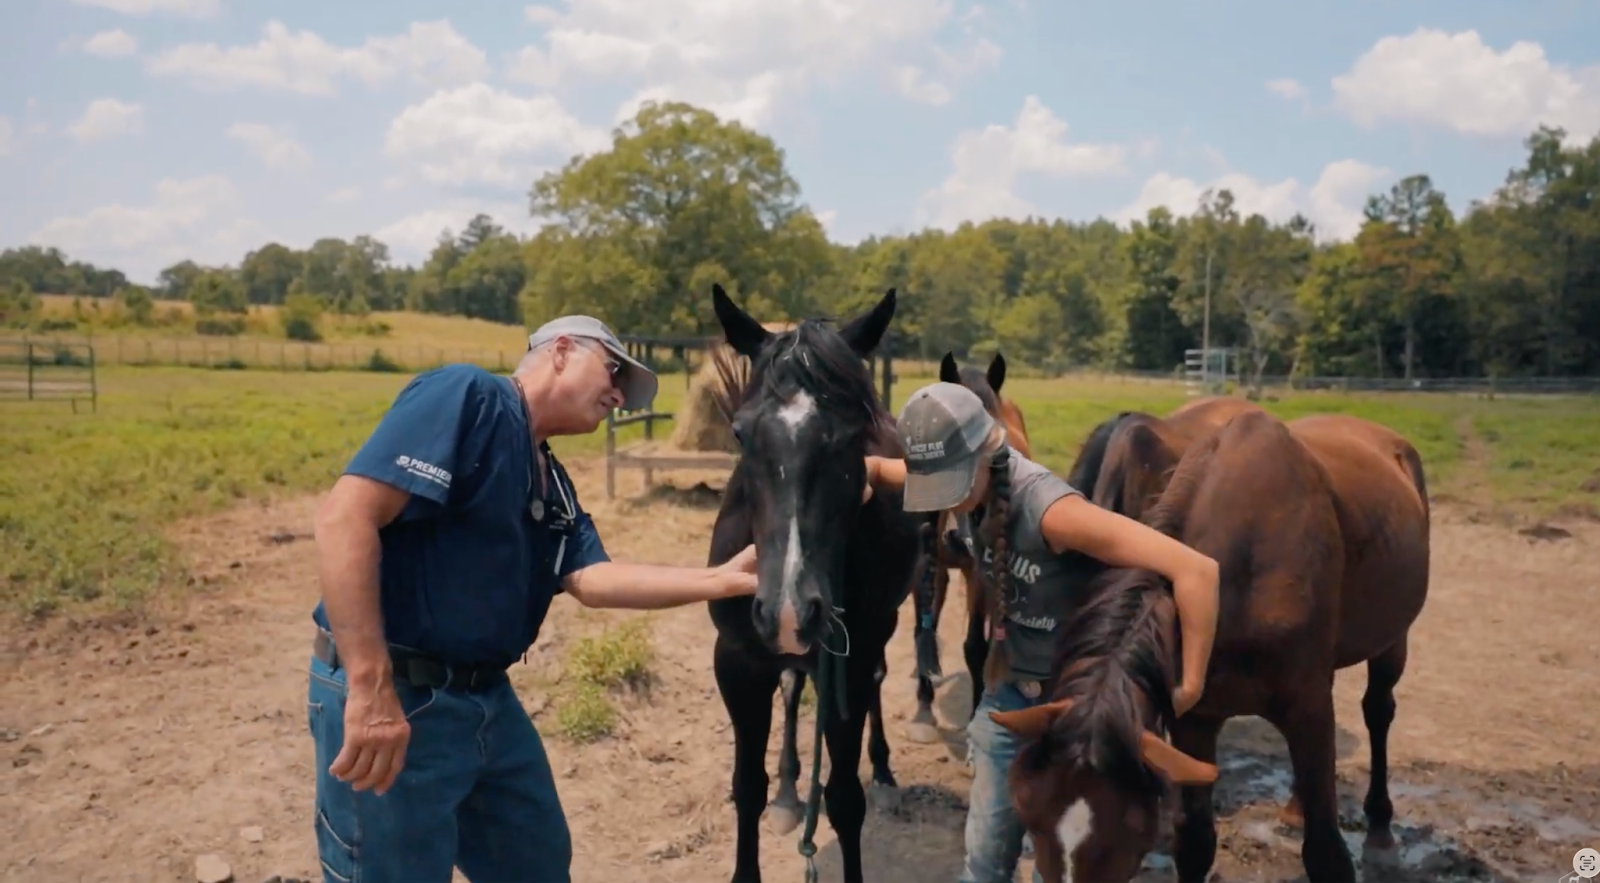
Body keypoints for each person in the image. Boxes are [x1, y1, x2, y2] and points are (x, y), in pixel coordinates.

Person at [306, 315, 760, 883]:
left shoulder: (553, 480)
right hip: (399, 695)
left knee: (537, 863)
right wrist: (371, 688)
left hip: (486, 702)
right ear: (562, 351)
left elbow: (592, 579)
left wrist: (722, 579)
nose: (619, 395)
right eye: (613, 371)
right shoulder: (469, 398)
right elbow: (345, 518)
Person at [862, 382, 1220, 883]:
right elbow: (893, 470)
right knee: (984, 862)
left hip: (1078, 714)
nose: (948, 499)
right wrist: (869, 470)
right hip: (1008, 697)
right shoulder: (962, 484)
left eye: (953, 484)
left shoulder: (1054, 513)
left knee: (1067, 857)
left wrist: (1192, 683)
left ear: (988, 453)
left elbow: (1197, 571)